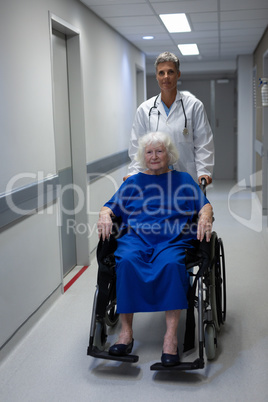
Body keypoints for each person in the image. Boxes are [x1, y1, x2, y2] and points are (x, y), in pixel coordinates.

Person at [97, 132, 213, 367]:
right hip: (136, 238)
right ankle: (126, 333)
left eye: (159, 151)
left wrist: (205, 216)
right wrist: (104, 215)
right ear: (143, 156)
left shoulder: (183, 180)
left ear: (169, 154)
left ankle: (170, 338)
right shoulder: (133, 182)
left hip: (172, 239)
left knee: (171, 265)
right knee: (126, 262)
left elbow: (204, 205)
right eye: (149, 152)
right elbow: (110, 206)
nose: (154, 156)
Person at [125, 51, 214, 185]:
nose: (166, 77)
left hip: (187, 177)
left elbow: (203, 143)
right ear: (156, 76)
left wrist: (204, 172)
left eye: (170, 72)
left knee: (189, 206)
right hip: (154, 179)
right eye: (161, 73)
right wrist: (133, 173)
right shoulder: (145, 109)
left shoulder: (194, 106)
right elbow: (137, 147)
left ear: (178, 74)